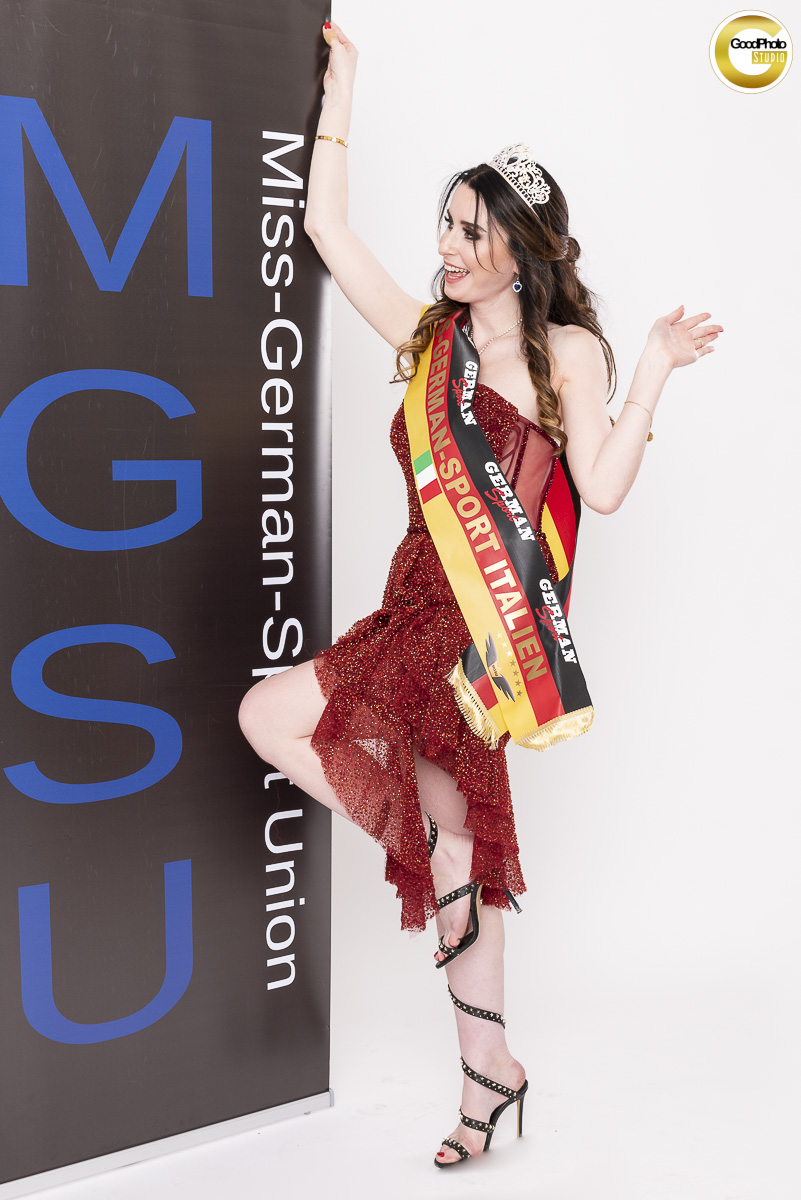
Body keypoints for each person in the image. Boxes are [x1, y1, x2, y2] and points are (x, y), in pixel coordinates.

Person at [237, 19, 723, 1169]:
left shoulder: (569, 354)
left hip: (483, 639)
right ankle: (488, 1056)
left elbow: (602, 488)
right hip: (407, 609)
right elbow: (326, 229)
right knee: (302, 740)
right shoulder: (431, 342)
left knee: (458, 853)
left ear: (518, 251)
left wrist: (653, 371)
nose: (447, 248)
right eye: (446, 227)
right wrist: (345, 89)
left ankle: (482, 1077)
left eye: (469, 232)